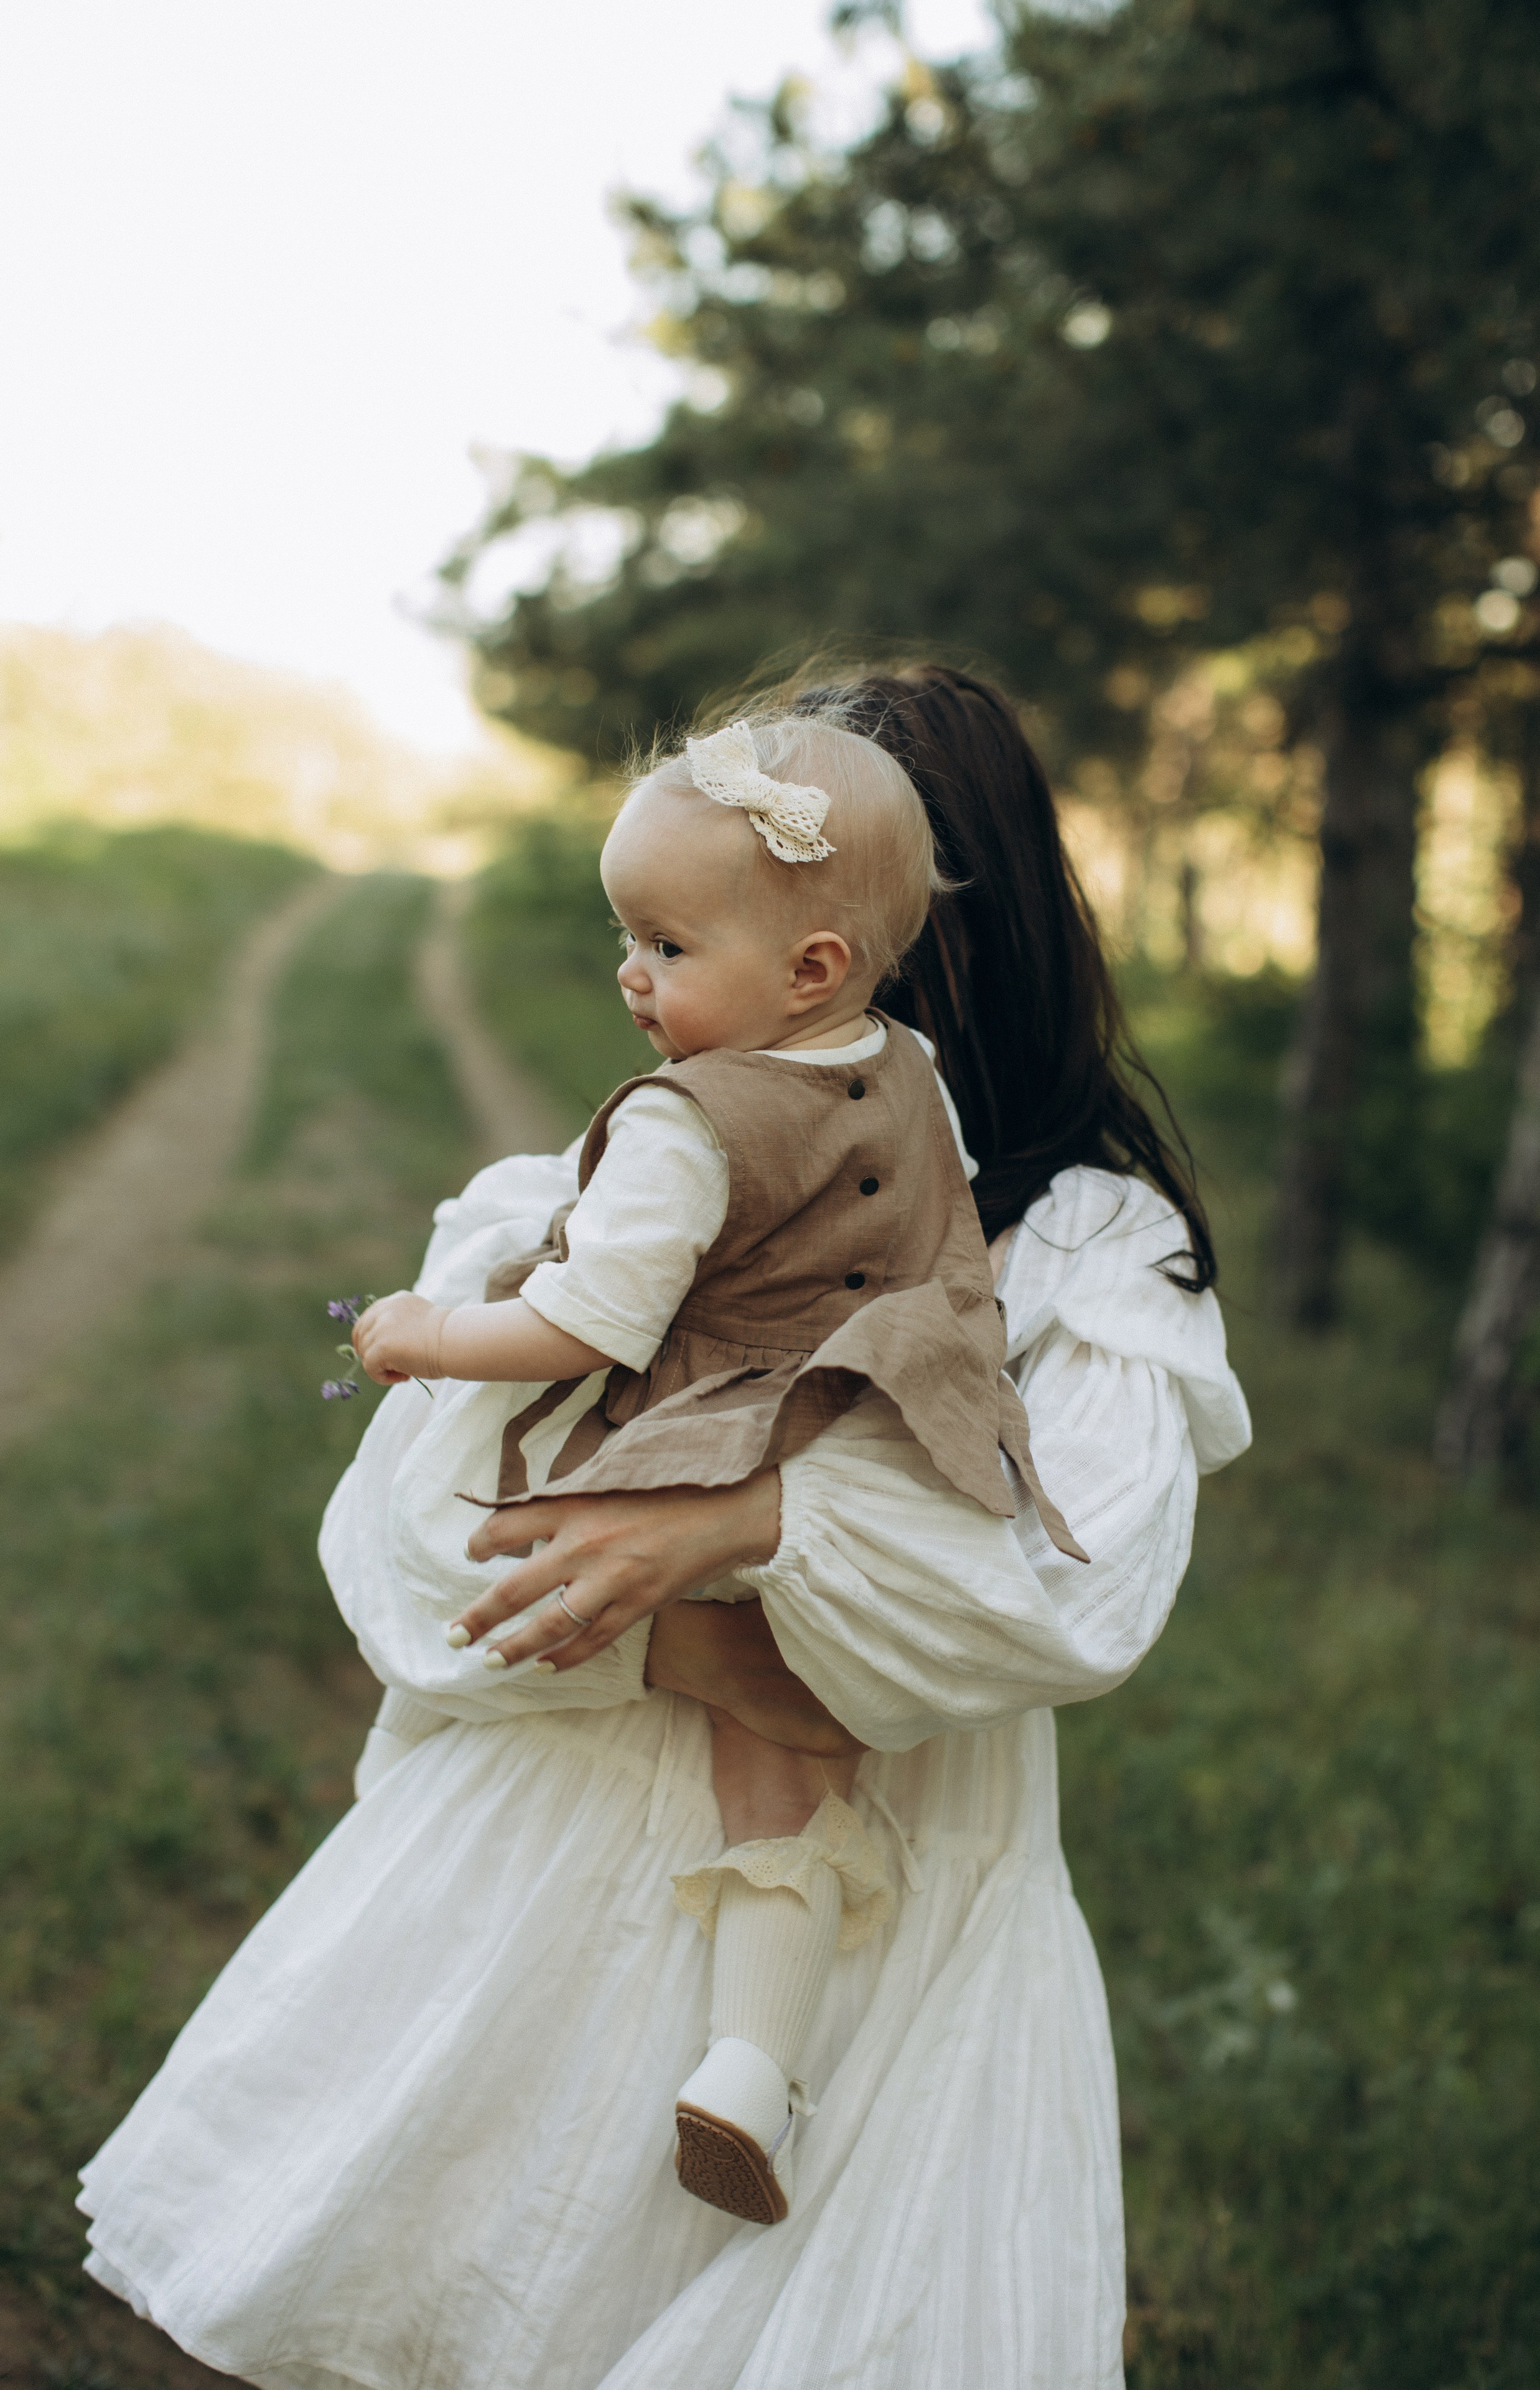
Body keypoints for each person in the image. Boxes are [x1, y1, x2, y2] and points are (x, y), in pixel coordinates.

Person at [78, 664, 1251, 2390]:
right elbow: (427, 1540)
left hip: (896, 1912)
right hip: (554, 1849)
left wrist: (732, 1528)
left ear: (879, 951)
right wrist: (645, 1594)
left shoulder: (1091, 1249)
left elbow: (1066, 1591)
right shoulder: (640, 1177)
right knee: (479, 2290)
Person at [342, 706, 1081, 2228]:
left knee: (494, 1596)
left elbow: (586, 1318)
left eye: (665, 946)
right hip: (862, 1432)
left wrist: (427, 1331)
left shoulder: (685, 1122)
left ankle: (458, 1926)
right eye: (630, 941)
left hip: (700, 1443)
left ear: (809, 966)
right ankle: (750, 2062)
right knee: (791, 1750)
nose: (631, 976)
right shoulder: (910, 1069)